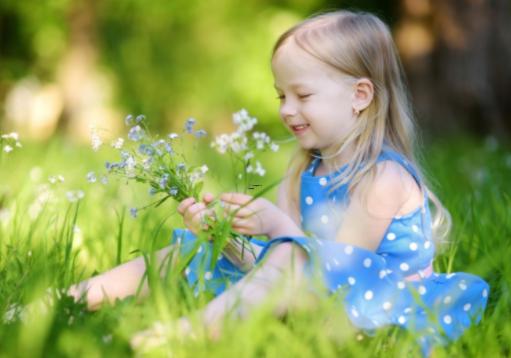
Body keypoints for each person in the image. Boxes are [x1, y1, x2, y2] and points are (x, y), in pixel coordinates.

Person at [68, 10, 489, 355]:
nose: (288, 110)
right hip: (311, 293)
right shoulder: (307, 170)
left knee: (290, 258)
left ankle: (180, 337)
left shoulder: (383, 178)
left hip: (380, 309)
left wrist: (274, 225)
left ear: (361, 95)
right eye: (280, 96)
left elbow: (332, 270)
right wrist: (221, 237)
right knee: (192, 249)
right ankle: (68, 300)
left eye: (302, 96)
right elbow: (274, 265)